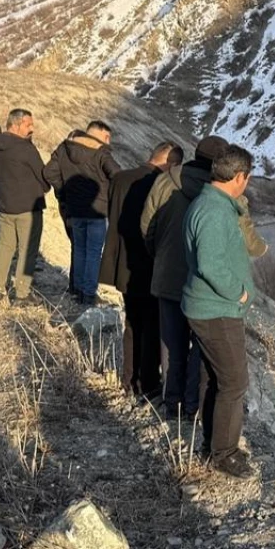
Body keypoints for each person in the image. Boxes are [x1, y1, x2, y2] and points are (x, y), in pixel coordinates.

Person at [142, 136, 267, 419]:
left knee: (171, 344)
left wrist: (159, 255)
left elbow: (146, 225)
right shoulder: (228, 198)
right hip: (209, 292)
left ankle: (170, 404)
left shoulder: (165, 182)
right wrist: (259, 253)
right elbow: (247, 241)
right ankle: (194, 407)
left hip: (169, 275)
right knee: (203, 351)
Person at [182, 145, 257, 478]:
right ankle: (224, 454)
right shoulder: (214, 211)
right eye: (248, 177)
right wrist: (238, 293)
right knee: (234, 382)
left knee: (215, 379)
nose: (248, 183)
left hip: (210, 307)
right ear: (239, 176)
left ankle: (211, 444)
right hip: (217, 310)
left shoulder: (213, 204)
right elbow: (210, 264)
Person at [99, 141, 182, 400]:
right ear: (171, 163)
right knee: (151, 326)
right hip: (149, 264)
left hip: (121, 262)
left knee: (132, 323)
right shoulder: (162, 186)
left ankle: (128, 379)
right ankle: (147, 384)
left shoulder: (121, 178)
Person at [43, 120, 120, 304]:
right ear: (104, 135)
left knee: (79, 249)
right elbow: (117, 175)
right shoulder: (101, 153)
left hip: (74, 210)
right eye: (108, 138)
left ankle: (77, 291)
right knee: (93, 253)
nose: (108, 142)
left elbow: (48, 172)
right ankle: (88, 295)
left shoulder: (64, 148)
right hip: (97, 211)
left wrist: (64, 192)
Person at [0, 109, 48, 304]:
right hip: (28, 205)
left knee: (5, 247)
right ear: (15, 125)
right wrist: (44, 187)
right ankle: (21, 293)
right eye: (28, 124)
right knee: (27, 249)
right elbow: (43, 175)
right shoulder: (25, 149)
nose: (32, 128)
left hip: (6, 204)